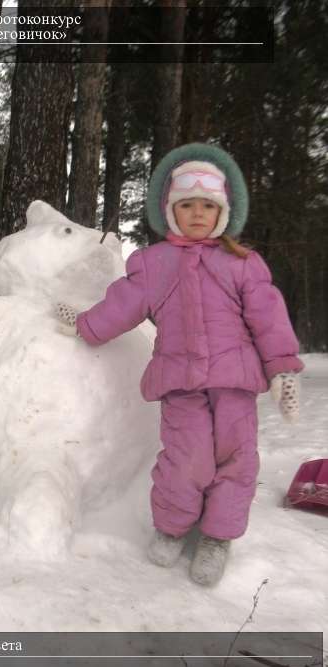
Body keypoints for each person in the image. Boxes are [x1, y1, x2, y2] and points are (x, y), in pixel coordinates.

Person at [55, 142, 303, 586]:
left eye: (207, 205)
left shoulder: (242, 264)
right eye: (185, 204)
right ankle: (172, 527)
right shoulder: (154, 264)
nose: (196, 213)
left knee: (236, 460)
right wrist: (87, 325)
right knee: (186, 461)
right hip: (181, 383)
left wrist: (282, 367)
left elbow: (268, 316)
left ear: (223, 212)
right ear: (170, 210)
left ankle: (217, 538)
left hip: (235, 383)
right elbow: (123, 305)